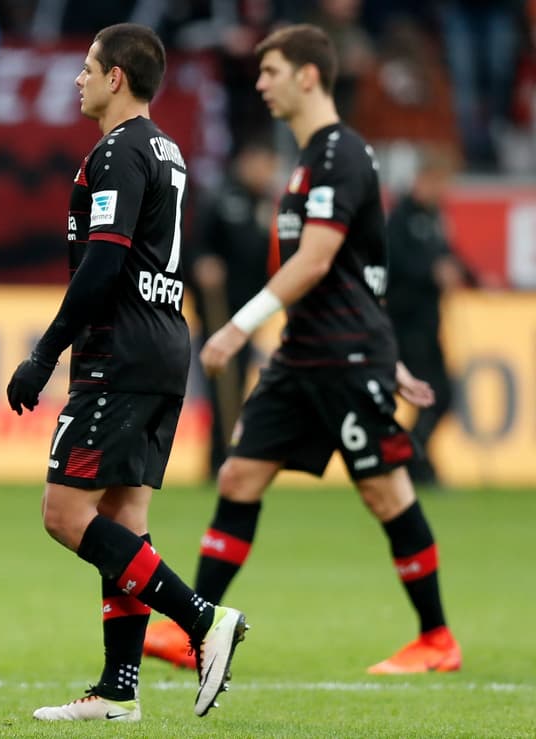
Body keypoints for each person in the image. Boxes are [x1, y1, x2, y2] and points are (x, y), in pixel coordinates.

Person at [144, 24, 462, 675]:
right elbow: (361, 264)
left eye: (271, 72)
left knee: (386, 493)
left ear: (309, 76)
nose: (260, 84)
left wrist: (237, 325)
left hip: (344, 357)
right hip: (305, 354)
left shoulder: (340, 153)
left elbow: (318, 261)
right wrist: (391, 352)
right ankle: (196, 629)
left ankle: (436, 638)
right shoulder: (308, 159)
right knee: (237, 474)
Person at [4, 23, 247, 724]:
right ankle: (119, 686)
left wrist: (45, 353)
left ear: (117, 78)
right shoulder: (166, 150)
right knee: (124, 519)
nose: (77, 79)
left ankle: (202, 620)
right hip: (165, 343)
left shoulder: (119, 151)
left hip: (123, 351)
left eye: (87, 68)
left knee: (64, 512)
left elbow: (103, 264)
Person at [188, 139, 279, 477]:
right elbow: (193, 246)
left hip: (251, 309)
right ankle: (218, 458)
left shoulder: (267, 202)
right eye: (263, 164)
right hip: (219, 308)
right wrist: (202, 264)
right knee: (220, 382)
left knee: (239, 382)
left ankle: (229, 454)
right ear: (246, 161)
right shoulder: (219, 197)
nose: (266, 173)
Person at [385, 147, 467, 487]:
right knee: (431, 393)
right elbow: (394, 262)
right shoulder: (400, 217)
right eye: (438, 182)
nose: (442, 190)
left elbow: (449, 256)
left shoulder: (435, 217)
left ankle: (412, 455)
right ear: (422, 180)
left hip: (429, 321)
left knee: (442, 395)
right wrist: (431, 272)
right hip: (404, 321)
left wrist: (470, 275)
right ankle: (414, 460)